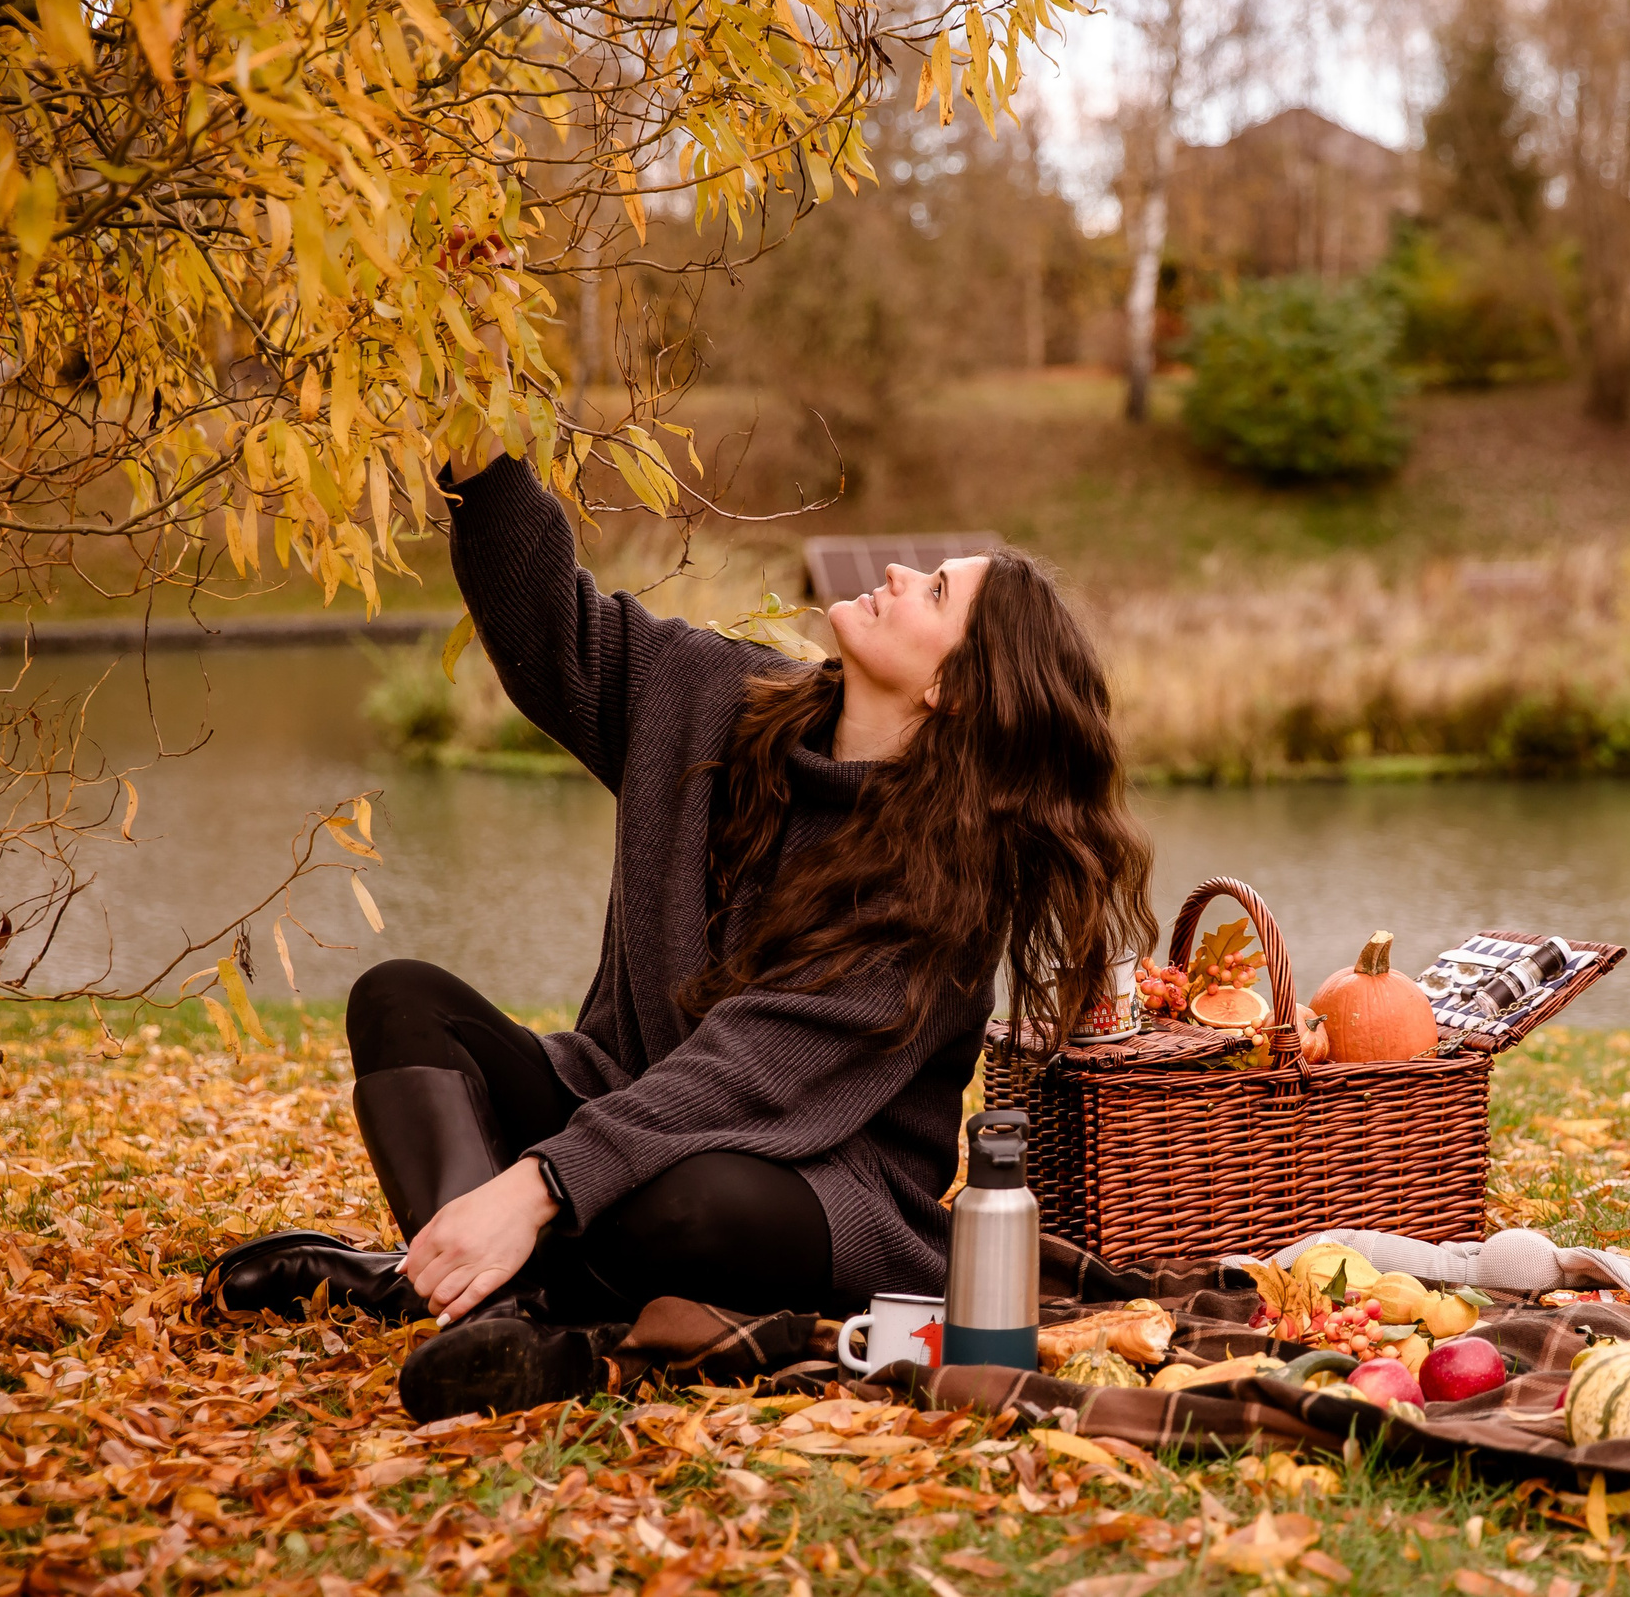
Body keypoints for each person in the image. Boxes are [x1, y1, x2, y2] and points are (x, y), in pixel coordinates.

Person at [207, 448, 1155, 1422]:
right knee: (400, 998)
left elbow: (743, 1072)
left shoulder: (945, 885)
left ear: (954, 689)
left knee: (692, 1202)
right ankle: (499, 1304)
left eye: (937, 590)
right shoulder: (714, 699)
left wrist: (537, 1183)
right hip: (623, 1103)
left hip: (814, 1188)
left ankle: (454, 1286)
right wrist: (481, 466)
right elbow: (553, 634)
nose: (899, 573)